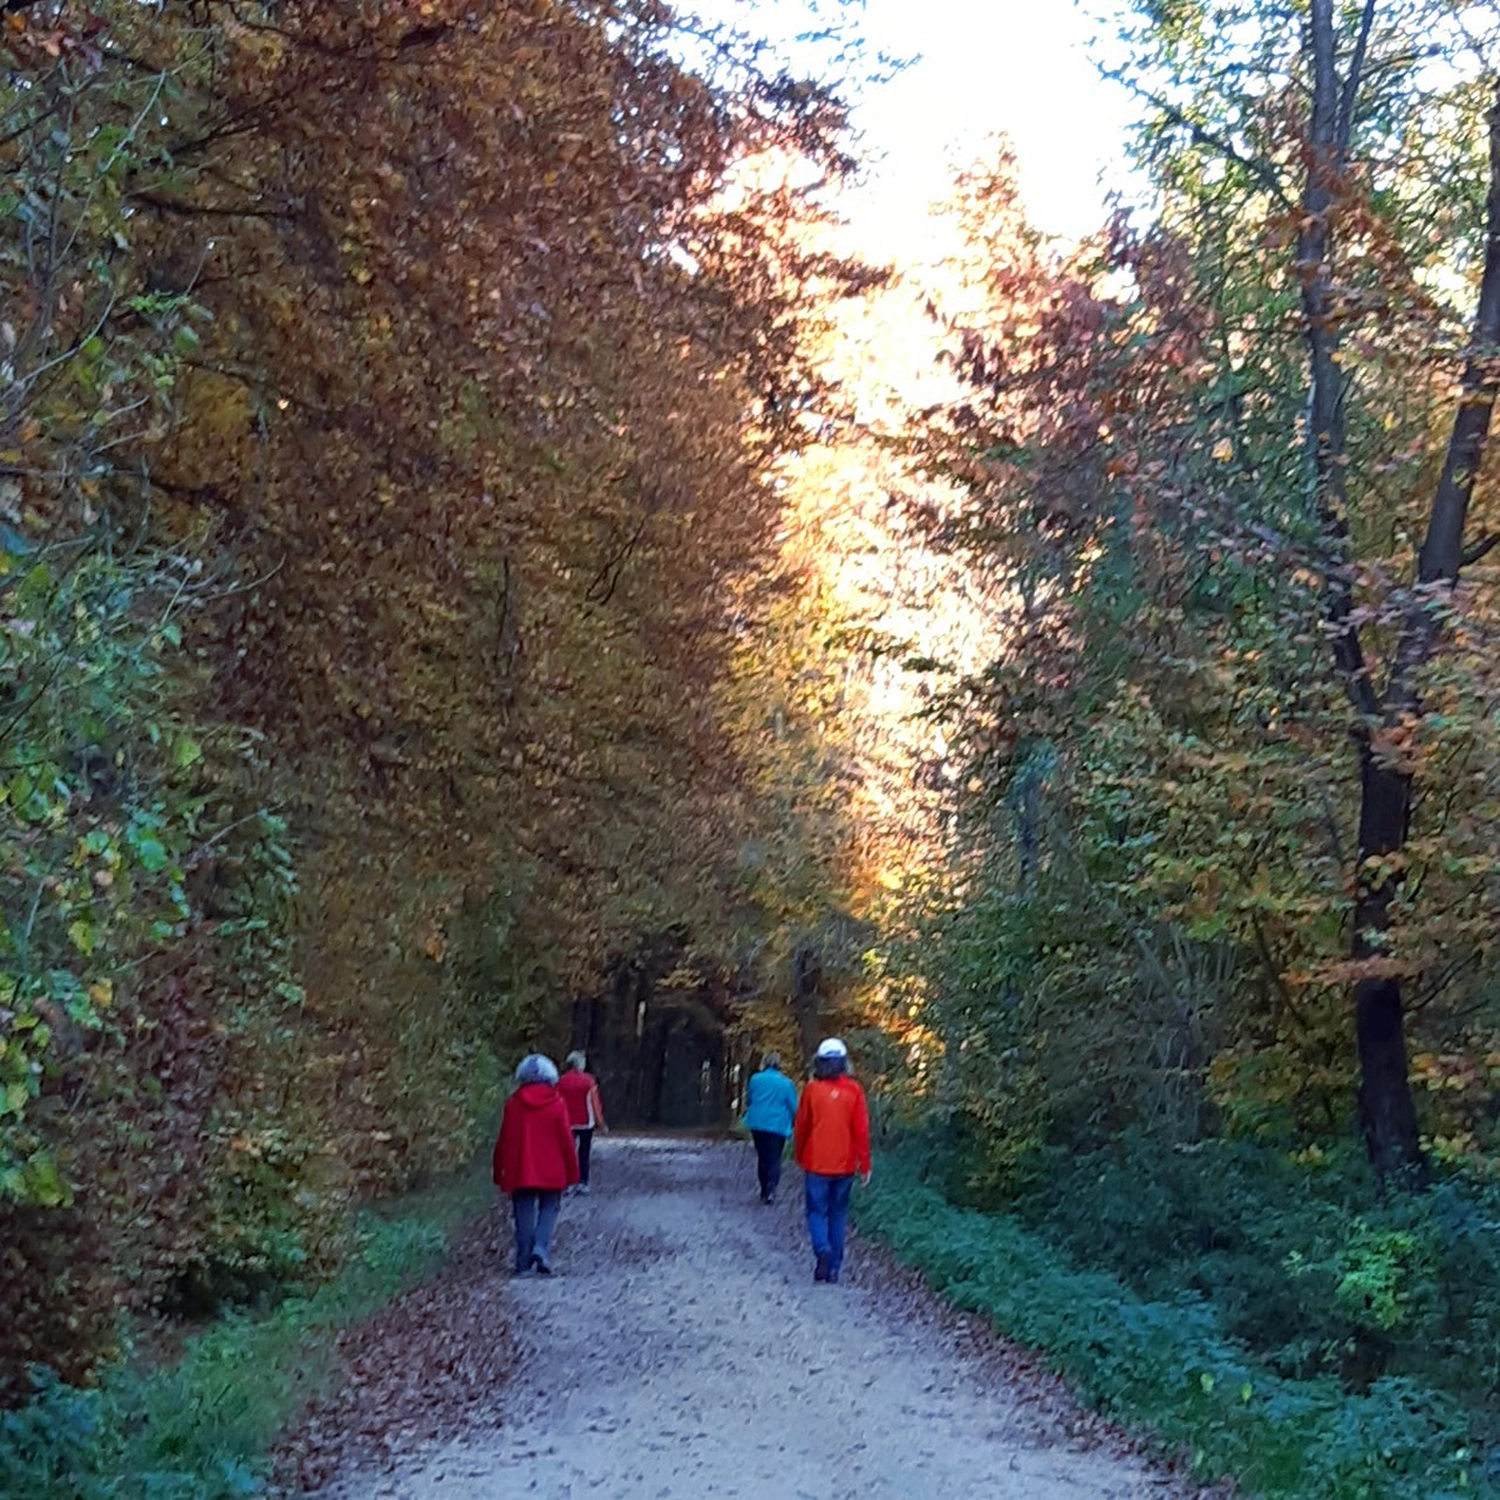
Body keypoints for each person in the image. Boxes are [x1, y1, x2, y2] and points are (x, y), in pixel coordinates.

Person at [792, 1037, 871, 1285]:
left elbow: (801, 1126)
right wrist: (865, 1163)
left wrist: (799, 1153)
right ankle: (834, 1267)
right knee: (838, 1214)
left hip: (816, 1162)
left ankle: (822, 1250)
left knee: (816, 1211)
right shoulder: (855, 1091)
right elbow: (861, 1129)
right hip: (845, 1164)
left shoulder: (812, 1090)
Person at [493, 1054, 579, 1274]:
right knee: (549, 1208)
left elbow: (504, 1139)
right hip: (552, 1169)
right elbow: (566, 1141)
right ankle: (541, 1249)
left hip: (520, 1169)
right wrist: (572, 1171)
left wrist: (498, 1169)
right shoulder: (557, 1104)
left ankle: (522, 1263)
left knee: (523, 1215)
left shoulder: (513, 1104)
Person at [741, 1050, 798, 1204]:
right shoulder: (786, 1083)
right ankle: (771, 1189)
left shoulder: (755, 1079)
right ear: (779, 1064)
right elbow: (794, 1107)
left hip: (757, 1122)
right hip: (777, 1125)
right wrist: (795, 1122)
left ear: (764, 1063)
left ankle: (764, 1188)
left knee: (762, 1157)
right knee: (774, 1157)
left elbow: (750, 1099)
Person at [557, 1050, 608, 1194]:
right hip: (586, 1121)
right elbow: (594, 1103)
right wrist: (601, 1122)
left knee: (567, 1152)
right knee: (584, 1152)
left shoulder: (561, 1081)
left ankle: (567, 1182)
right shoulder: (589, 1081)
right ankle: (583, 1182)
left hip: (566, 1122)